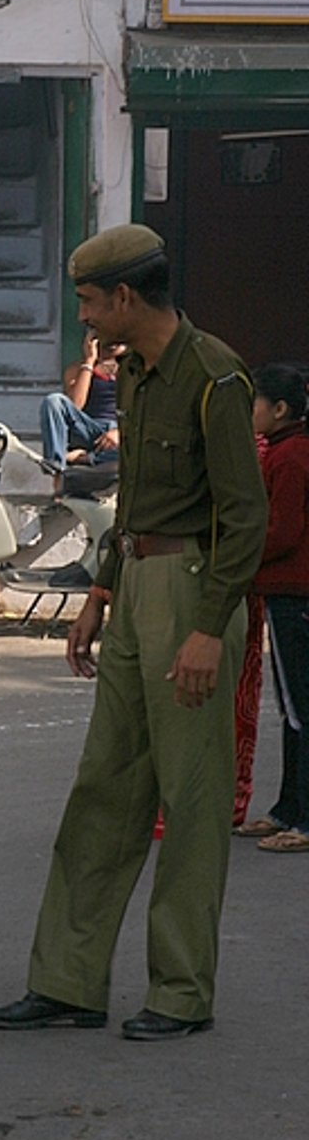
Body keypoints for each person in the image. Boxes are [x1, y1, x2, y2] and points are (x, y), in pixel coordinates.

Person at [0, 225, 266, 1042]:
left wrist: (210, 629)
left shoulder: (214, 375)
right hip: (139, 579)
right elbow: (138, 488)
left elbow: (244, 517)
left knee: (192, 797)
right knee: (104, 788)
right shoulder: (135, 374)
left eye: (88, 301)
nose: (84, 316)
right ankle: (68, 981)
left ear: (127, 298)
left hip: (192, 588)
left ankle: (180, 991)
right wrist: (101, 587)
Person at [234, 364, 309, 851]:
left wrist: (238, 555)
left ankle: (302, 821)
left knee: (301, 710)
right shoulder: (290, 450)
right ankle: (288, 809)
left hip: (292, 594)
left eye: (256, 402)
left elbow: (280, 532)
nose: (251, 412)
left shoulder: (289, 457)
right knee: (293, 708)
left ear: (279, 409)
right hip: (289, 592)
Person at [39, 332, 124, 470]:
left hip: (121, 432)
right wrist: (90, 361)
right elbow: (75, 404)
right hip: (87, 428)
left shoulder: (135, 368)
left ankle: (82, 458)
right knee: (53, 401)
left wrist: (120, 432)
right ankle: (56, 463)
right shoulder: (77, 369)